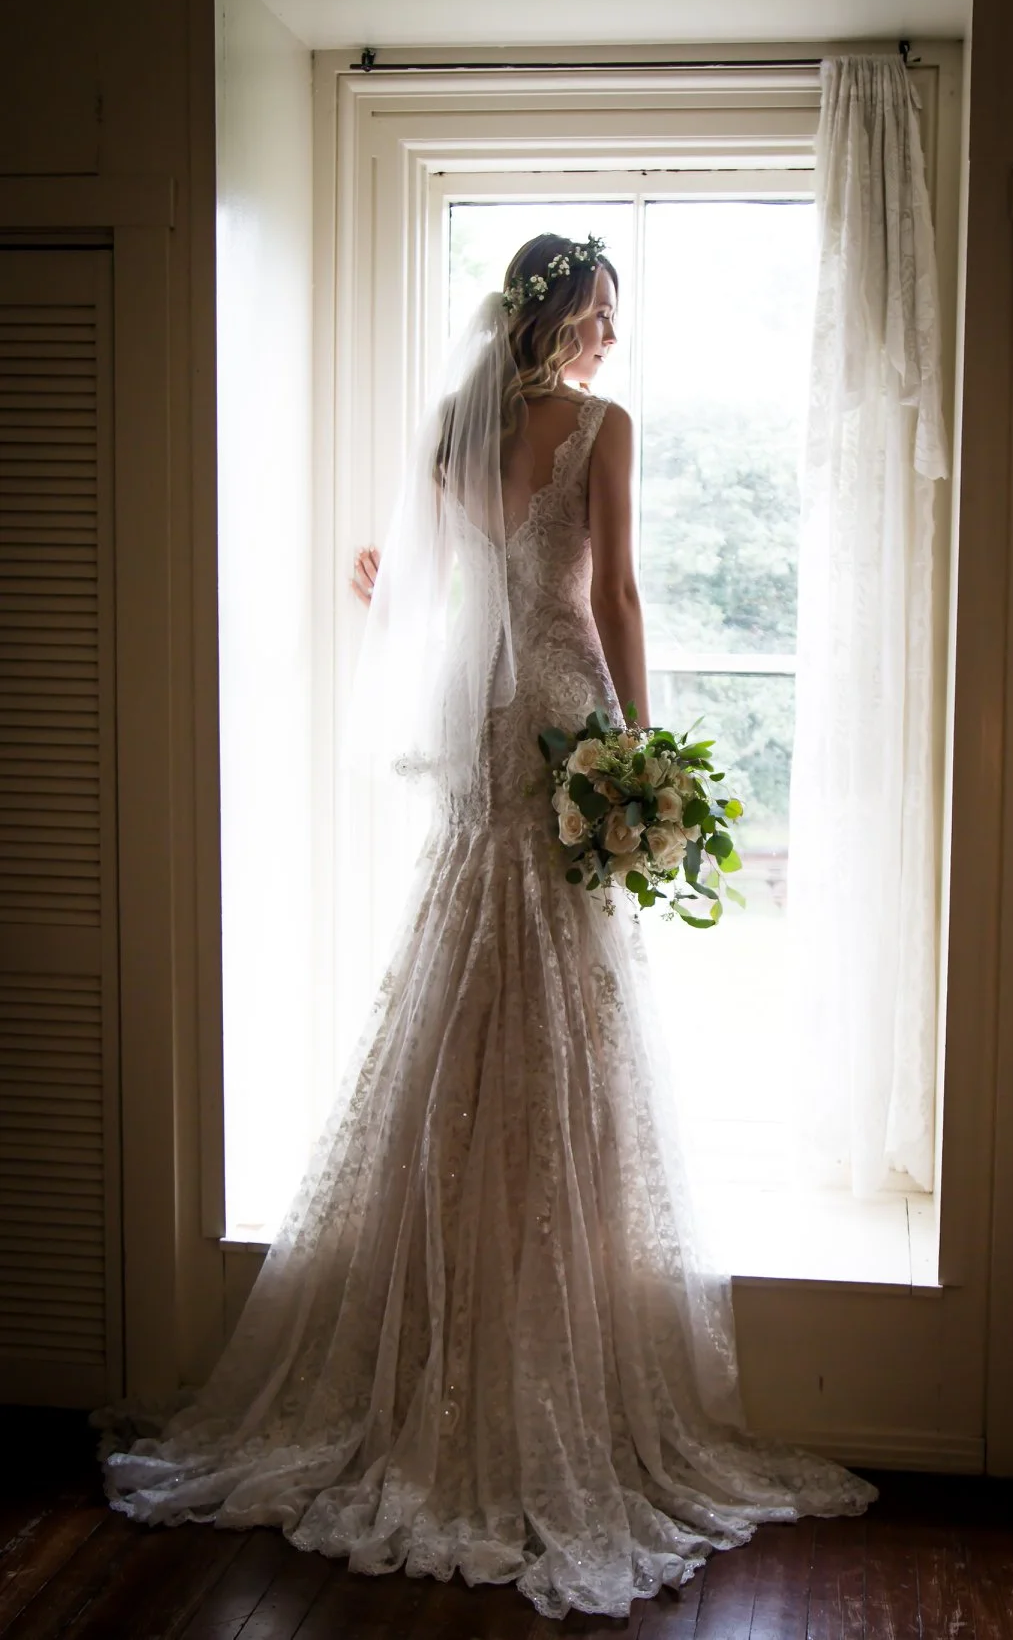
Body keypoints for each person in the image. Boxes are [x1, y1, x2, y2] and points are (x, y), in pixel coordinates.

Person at [95, 233, 877, 1621]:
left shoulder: (458, 434)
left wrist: (383, 582)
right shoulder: (602, 429)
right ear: (568, 319)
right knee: (570, 1003)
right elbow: (615, 596)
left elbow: (416, 584)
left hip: (486, 733)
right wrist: (648, 753)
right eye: (604, 317)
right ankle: (539, 1294)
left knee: (464, 989)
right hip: (567, 724)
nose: (612, 342)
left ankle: (452, 1295)